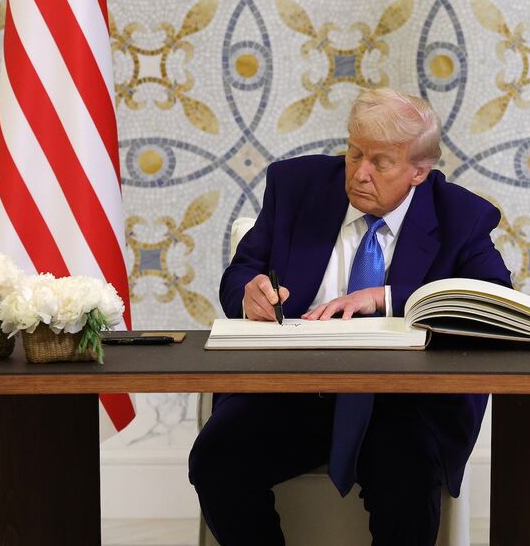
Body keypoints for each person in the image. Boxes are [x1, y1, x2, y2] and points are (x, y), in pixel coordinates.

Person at [189, 87, 512, 545]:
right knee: (217, 459)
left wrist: (385, 298)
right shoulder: (295, 187)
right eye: (354, 152)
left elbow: (492, 298)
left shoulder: (461, 216)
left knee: (408, 474)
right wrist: (249, 294)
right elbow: (242, 272)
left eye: (380, 162)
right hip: (292, 391)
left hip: (401, 402)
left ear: (419, 171)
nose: (359, 173)